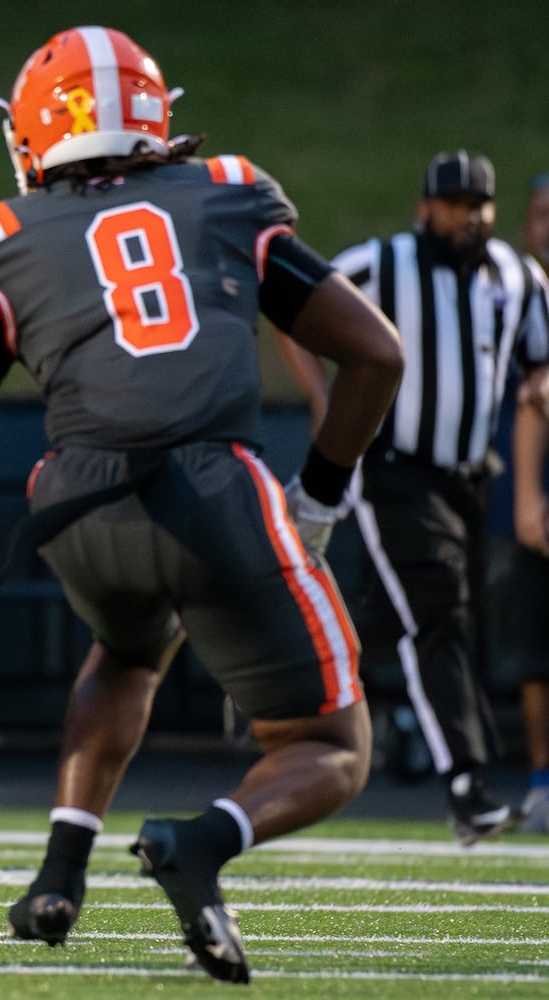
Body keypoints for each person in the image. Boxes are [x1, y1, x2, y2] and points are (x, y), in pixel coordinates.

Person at [0, 27, 402, 982]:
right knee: (333, 742)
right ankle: (202, 843)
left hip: (78, 507)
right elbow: (375, 350)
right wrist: (322, 493)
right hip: (216, 490)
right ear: (155, 118)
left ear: (31, 135)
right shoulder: (225, 193)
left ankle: (58, 876)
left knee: (128, 650)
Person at [283, 150, 549, 845]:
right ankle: (467, 785)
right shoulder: (382, 263)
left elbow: (538, 368)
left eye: (480, 206)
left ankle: (285, 677)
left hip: (469, 474)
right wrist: (322, 398)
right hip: (393, 467)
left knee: (416, 618)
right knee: (439, 615)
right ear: (425, 207)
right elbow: (291, 308)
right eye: (456, 204)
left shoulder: (519, 278)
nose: (469, 218)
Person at [505, 172, 549, 833]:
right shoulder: (511, 292)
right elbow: (533, 401)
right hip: (534, 486)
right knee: (536, 649)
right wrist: (528, 497)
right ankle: (542, 780)